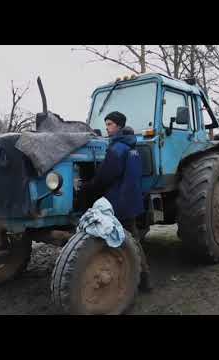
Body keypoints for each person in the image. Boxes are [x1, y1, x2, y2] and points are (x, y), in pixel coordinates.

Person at [81, 111, 152, 291]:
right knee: (133, 240)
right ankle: (145, 280)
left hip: (118, 202)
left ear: (119, 126)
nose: (107, 128)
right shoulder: (133, 149)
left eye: (110, 124)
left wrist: (87, 187)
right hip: (131, 200)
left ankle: (122, 280)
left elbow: (105, 177)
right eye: (106, 124)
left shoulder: (117, 149)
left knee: (113, 238)